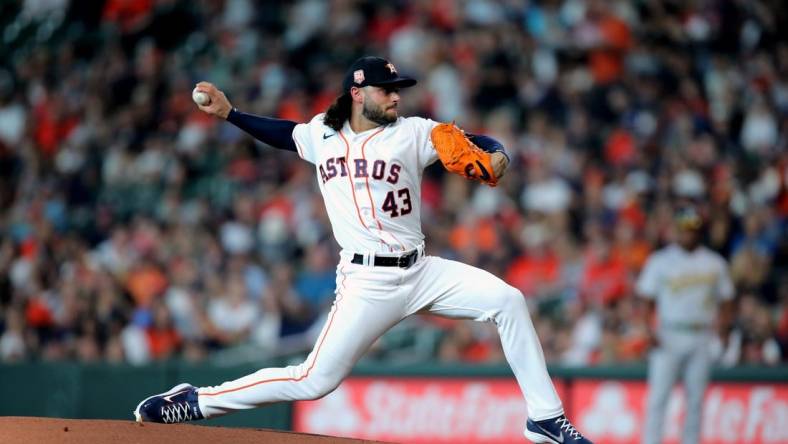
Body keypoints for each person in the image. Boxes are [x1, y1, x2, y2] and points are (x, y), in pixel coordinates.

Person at [133, 56, 592, 443]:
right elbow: (284, 134)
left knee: (508, 301)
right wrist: (232, 114)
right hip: (367, 282)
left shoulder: (414, 132)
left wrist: (498, 153)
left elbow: (478, 143)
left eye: (398, 90)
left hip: (422, 272)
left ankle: (544, 418)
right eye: (385, 89)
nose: (395, 97)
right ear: (357, 93)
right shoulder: (322, 135)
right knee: (313, 380)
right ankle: (199, 400)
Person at [637, 206, 735, 444]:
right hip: (669, 333)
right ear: (676, 230)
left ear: (699, 232)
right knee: (659, 397)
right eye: (683, 229)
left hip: (702, 334)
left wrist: (723, 330)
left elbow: (727, 300)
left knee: (696, 399)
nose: (687, 234)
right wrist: (649, 330)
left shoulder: (714, 262)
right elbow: (646, 301)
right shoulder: (660, 260)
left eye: (692, 230)